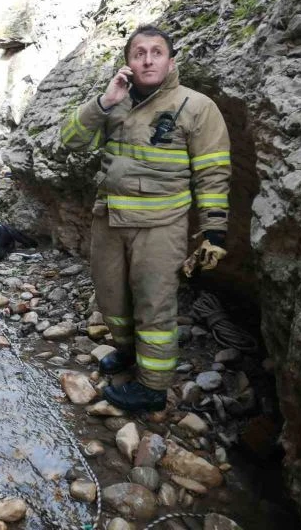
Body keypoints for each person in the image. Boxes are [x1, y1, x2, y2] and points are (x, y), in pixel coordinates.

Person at [60, 25, 231, 411]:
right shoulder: (113, 101)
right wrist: (103, 102)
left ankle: (152, 388)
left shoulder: (197, 106)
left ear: (171, 61)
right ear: (128, 62)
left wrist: (214, 231)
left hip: (161, 225)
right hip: (109, 218)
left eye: (157, 52)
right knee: (111, 299)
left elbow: (213, 173)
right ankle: (128, 352)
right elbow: (68, 140)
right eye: (139, 53)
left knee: (154, 305)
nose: (148, 59)